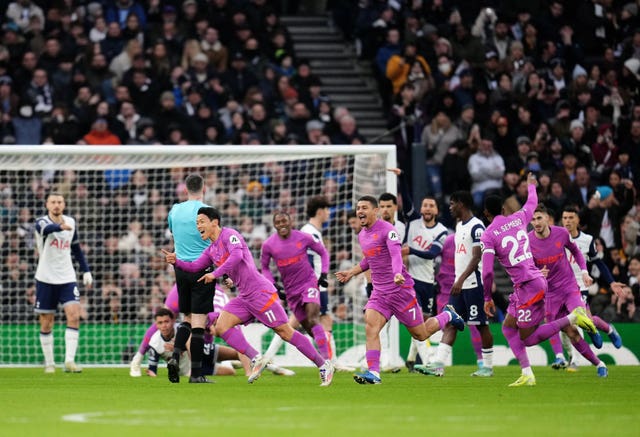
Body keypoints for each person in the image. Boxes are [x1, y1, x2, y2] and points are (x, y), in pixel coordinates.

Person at [163, 207, 335, 386]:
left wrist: (215, 274)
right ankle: (256, 358)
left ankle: (323, 365)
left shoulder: (230, 234)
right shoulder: (211, 250)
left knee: (285, 332)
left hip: (260, 293)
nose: (198, 226)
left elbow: (237, 256)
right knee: (222, 327)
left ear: (214, 222)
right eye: (197, 223)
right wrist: (177, 261)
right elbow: (195, 266)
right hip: (244, 297)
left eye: (201, 221)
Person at [481, 173, 598, 386]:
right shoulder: (518, 218)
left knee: (528, 338)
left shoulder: (488, 235)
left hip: (528, 285)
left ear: (486, 213)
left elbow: (487, 272)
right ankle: (527, 373)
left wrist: (487, 297)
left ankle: (572, 318)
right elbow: (531, 202)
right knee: (508, 326)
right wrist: (531, 186)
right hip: (529, 282)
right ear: (503, 210)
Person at [335, 196, 464, 385]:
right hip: (380, 293)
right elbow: (369, 259)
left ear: (375, 211)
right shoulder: (362, 235)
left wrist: (397, 273)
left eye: (364, 207)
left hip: (400, 290)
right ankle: (374, 373)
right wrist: (352, 272)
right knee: (371, 327)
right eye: (358, 208)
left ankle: (448, 315)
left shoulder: (388, 230)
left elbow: (395, 254)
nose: (359, 211)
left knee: (420, 334)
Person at [528, 204, 610, 378]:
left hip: (569, 287)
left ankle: (593, 330)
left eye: (539, 218)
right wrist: (536, 273)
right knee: (571, 332)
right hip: (550, 295)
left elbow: (577, 253)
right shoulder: (528, 241)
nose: (536, 222)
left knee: (579, 313)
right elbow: (525, 268)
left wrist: (584, 272)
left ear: (547, 219)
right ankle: (599, 364)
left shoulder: (561, 233)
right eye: (533, 219)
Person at [418, 191, 494, 377]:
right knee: (450, 322)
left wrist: (459, 280)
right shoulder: (460, 226)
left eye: (452, 204)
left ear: (461, 204)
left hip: (474, 284)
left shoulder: (477, 227)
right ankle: (438, 364)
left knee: (481, 325)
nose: (450, 207)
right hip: (460, 285)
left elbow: (477, 258)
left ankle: (488, 367)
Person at [550, 205, 625, 371]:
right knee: (566, 328)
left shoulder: (587, 240)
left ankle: (576, 361)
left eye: (571, 218)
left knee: (577, 320)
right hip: (558, 289)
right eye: (565, 218)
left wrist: (611, 282)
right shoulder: (555, 238)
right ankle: (607, 329)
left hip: (580, 287)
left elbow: (598, 262)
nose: (567, 221)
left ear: (577, 220)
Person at [390, 168, 447, 371]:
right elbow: (405, 199)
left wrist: (410, 249)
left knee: (422, 324)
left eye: (432, 205)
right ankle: (428, 361)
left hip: (428, 282)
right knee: (419, 322)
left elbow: (432, 253)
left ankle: (412, 357)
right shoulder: (413, 221)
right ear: (421, 208)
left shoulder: (441, 232)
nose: (428, 208)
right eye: (425, 205)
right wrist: (402, 177)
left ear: (437, 210)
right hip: (410, 279)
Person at [260, 210, 331, 361]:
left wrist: (324, 274)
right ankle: (325, 360)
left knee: (313, 318)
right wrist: (275, 286)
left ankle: (328, 361)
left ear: (290, 221)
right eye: (278, 222)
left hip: (309, 284)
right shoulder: (268, 245)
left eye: (284, 221)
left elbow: (323, 252)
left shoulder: (303, 237)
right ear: (274, 225)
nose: (281, 225)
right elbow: (264, 268)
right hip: (291, 292)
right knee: (310, 329)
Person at [34, 192, 93, 373]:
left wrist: (86, 270)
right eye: (53, 202)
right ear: (47, 205)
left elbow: (76, 248)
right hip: (45, 278)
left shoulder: (71, 222)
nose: (56, 205)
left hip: (67, 277)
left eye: (59, 202)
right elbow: (46, 230)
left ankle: (69, 361)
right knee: (46, 322)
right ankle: (50, 363)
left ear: (64, 204)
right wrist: (61, 227)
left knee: (74, 316)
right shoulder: (41, 222)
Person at [166, 174, 215, 384]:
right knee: (199, 322)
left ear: (185, 189)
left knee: (186, 318)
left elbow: (172, 232)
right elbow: (215, 239)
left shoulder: (175, 210)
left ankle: (175, 356)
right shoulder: (206, 213)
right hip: (202, 269)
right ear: (204, 188)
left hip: (180, 269)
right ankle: (196, 375)